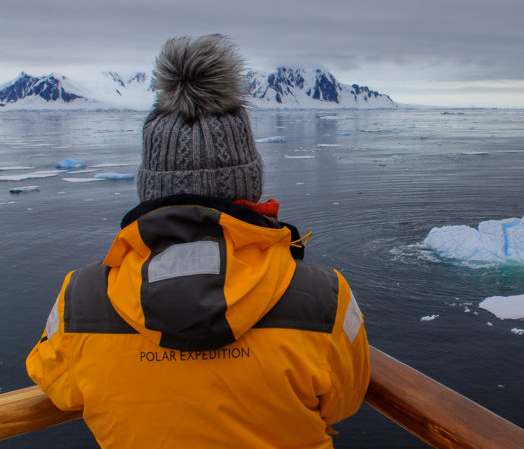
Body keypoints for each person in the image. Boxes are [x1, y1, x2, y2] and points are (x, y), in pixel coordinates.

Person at [26, 34, 370, 448]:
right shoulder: (325, 297)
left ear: (149, 186)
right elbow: (345, 401)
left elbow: (56, 383)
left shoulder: (79, 298)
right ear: (249, 183)